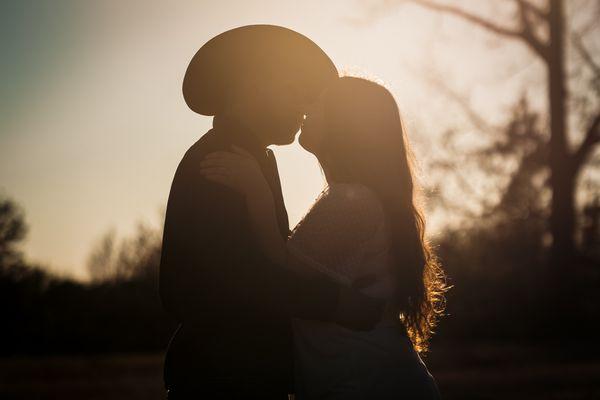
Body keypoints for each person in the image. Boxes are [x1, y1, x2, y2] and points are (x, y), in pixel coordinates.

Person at [159, 26, 383, 399]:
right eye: (295, 91)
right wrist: (337, 302)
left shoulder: (258, 159)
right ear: (253, 86)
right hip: (224, 381)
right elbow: (232, 281)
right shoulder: (219, 162)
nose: (305, 106)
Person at [200, 76, 448, 399]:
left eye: (320, 103)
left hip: (371, 385)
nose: (306, 107)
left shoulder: (354, 203)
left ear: (347, 125)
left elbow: (283, 265)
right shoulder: (357, 199)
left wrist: (257, 191)